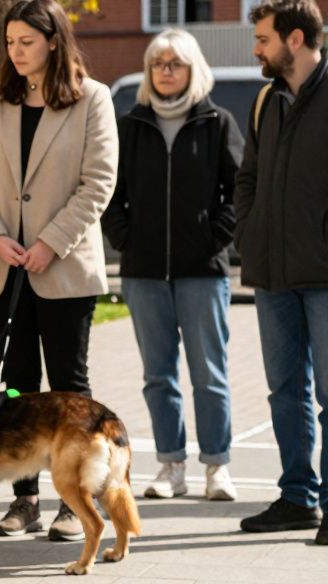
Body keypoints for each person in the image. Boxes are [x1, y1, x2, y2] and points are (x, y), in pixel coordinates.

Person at [0, 0, 117, 541]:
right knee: (17, 386)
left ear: (54, 40)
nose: (15, 51)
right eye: (9, 42)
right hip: (4, 266)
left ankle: (76, 502)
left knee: (70, 387)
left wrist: (50, 241)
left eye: (26, 41)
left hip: (64, 264)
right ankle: (24, 499)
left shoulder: (93, 99)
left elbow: (98, 182)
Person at [101, 29, 243, 501]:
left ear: (192, 69)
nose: (165, 70)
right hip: (143, 273)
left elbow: (239, 191)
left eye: (175, 63)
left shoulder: (217, 122)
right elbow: (110, 194)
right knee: (158, 375)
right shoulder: (130, 125)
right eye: (158, 63)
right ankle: (170, 467)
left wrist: (214, 238)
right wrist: (126, 240)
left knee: (210, 373)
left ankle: (217, 466)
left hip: (202, 271)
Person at [234, 0, 328, 545]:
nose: (257, 50)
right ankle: (298, 497)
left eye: (264, 39)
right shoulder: (267, 100)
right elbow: (248, 177)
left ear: (295, 40)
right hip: (271, 271)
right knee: (283, 391)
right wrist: (249, 235)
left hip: (323, 269)